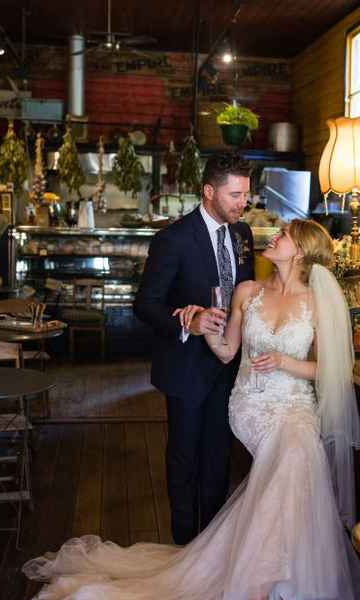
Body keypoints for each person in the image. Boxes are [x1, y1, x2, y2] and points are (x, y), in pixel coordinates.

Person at [23, 219, 360, 600]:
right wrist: (200, 323)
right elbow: (225, 352)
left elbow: (332, 369)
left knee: (297, 454)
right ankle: (271, 580)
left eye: (284, 235)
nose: (273, 236)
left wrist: (286, 363)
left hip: (295, 403)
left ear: (301, 251)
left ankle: (275, 580)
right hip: (250, 404)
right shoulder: (248, 291)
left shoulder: (319, 301)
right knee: (295, 456)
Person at [133, 152, 254, 544]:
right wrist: (189, 323)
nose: (243, 203)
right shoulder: (173, 240)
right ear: (208, 191)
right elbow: (145, 304)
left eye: (246, 194)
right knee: (185, 458)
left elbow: (245, 295)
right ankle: (184, 545)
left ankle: (212, 546)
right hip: (185, 367)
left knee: (219, 458)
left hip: (229, 366)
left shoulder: (243, 235)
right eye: (235, 195)